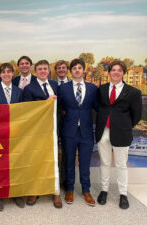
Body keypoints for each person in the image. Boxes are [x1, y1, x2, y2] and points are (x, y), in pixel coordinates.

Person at [95, 60, 142, 209]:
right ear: (109, 73)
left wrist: (124, 125)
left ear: (123, 73)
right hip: (103, 132)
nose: (116, 72)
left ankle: (123, 194)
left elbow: (136, 115)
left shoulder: (134, 92)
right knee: (105, 163)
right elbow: (99, 109)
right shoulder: (101, 89)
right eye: (113, 70)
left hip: (121, 132)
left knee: (121, 165)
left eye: (119, 70)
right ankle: (104, 190)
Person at [58, 58, 97, 207]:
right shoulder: (63, 88)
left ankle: (86, 190)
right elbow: (57, 107)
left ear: (83, 70)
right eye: (74, 68)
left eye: (80, 68)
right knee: (68, 162)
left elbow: (98, 108)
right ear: (71, 71)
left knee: (85, 162)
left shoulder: (93, 88)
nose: (77, 70)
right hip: (69, 131)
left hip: (86, 131)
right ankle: (69, 189)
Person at [23, 60, 62, 208]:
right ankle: (34, 192)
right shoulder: (29, 88)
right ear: (35, 71)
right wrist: (46, 103)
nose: (43, 71)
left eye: (45, 68)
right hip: (37, 132)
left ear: (48, 70)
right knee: (36, 160)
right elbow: (28, 110)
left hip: (52, 129)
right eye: (39, 69)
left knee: (53, 161)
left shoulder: (54, 85)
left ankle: (55, 192)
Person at [0, 63, 24, 211]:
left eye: (9, 72)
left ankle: (16, 193)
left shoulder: (19, 91)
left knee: (15, 162)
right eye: (4, 72)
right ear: (0, 75)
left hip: (15, 133)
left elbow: (23, 112)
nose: (7, 74)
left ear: (13, 74)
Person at [54, 60, 71, 190]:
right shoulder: (52, 84)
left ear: (67, 69)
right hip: (53, 120)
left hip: (68, 121)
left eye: (63, 67)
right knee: (52, 151)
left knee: (66, 152)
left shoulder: (72, 84)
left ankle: (65, 181)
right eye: (58, 68)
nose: (61, 70)